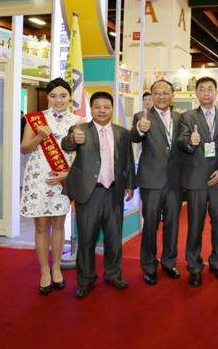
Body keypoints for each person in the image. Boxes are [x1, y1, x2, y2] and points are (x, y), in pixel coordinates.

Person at [62, 91, 135, 299]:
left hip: (114, 192)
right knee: (86, 240)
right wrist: (72, 138)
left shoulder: (122, 133)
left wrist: (130, 185)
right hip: (89, 194)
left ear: (112, 109)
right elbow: (67, 145)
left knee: (114, 238)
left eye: (106, 107)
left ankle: (113, 274)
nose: (102, 110)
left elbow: (128, 160)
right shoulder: (80, 130)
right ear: (91, 109)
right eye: (97, 107)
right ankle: (86, 280)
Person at [20, 78, 80, 294]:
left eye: (63, 95)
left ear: (70, 97)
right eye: (53, 96)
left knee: (59, 224)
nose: (58, 100)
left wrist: (68, 174)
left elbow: (84, 155)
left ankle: (56, 268)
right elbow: (24, 148)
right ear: (48, 97)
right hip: (38, 179)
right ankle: (44, 270)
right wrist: (39, 136)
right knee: (40, 225)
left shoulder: (77, 121)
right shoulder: (35, 119)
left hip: (62, 178)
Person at [177, 77, 218, 287]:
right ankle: (194, 266)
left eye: (210, 89)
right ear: (196, 93)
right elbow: (181, 140)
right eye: (202, 89)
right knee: (195, 225)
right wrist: (190, 141)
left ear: (216, 92)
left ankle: (217, 262)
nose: (206, 93)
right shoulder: (187, 116)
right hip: (196, 180)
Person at [131, 80, 183, 285]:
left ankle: (169, 262)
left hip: (175, 181)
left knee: (172, 224)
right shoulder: (142, 117)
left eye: (165, 92)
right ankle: (149, 266)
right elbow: (134, 137)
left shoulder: (180, 117)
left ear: (172, 95)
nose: (161, 96)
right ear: (151, 96)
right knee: (150, 225)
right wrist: (140, 129)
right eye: (157, 93)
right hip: (152, 181)